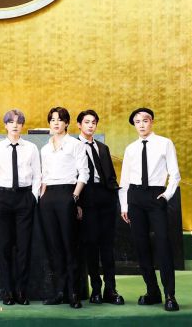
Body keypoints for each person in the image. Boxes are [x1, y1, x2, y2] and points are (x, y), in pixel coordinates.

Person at [119, 107, 181, 312]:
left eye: (145, 120)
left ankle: (170, 295)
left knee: (163, 245)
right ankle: (152, 291)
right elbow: (125, 180)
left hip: (156, 196)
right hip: (135, 198)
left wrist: (167, 195)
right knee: (141, 246)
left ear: (152, 122)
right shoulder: (130, 149)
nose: (141, 125)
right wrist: (124, 205)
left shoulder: (165, 143)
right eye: (137, 122)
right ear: (134, 125)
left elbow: (175, 174)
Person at [0, 109, 41, 306]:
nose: (15, 125)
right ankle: (8, 291)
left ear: (22, 125)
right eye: (11, 122)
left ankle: (21, 291)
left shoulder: (31, 148)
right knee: (5, 246)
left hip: (25, 198)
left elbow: (37, 175)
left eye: (18, 122)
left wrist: (33, 197)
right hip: (3, 198)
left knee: (24, 247)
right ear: (5, 125)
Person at [38, 106, 89, 309]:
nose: (56, 123)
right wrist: (42, 197)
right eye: (52, 120)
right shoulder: (44, 148)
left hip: (68, 193)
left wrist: (74, 197)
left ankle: (73, 293)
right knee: (54, 246)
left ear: (67, 123)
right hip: (48, 197)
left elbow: (83, 173)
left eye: (60, 119)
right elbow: (44, 175)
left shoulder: (76, 145)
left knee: (69, 245)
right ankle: (59, 292)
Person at [76, 109, 125, 305]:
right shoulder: (73, 147)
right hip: (86, 198)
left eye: (94, 122)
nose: (91, 125)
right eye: (87, 122)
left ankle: (110, 289)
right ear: (79, 125)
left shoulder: (103, 148)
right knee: (91, 245)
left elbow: (111, 174)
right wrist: (77, 203)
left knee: (107, 246)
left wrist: (113, 195)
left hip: (106, 199)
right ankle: (95, 289)